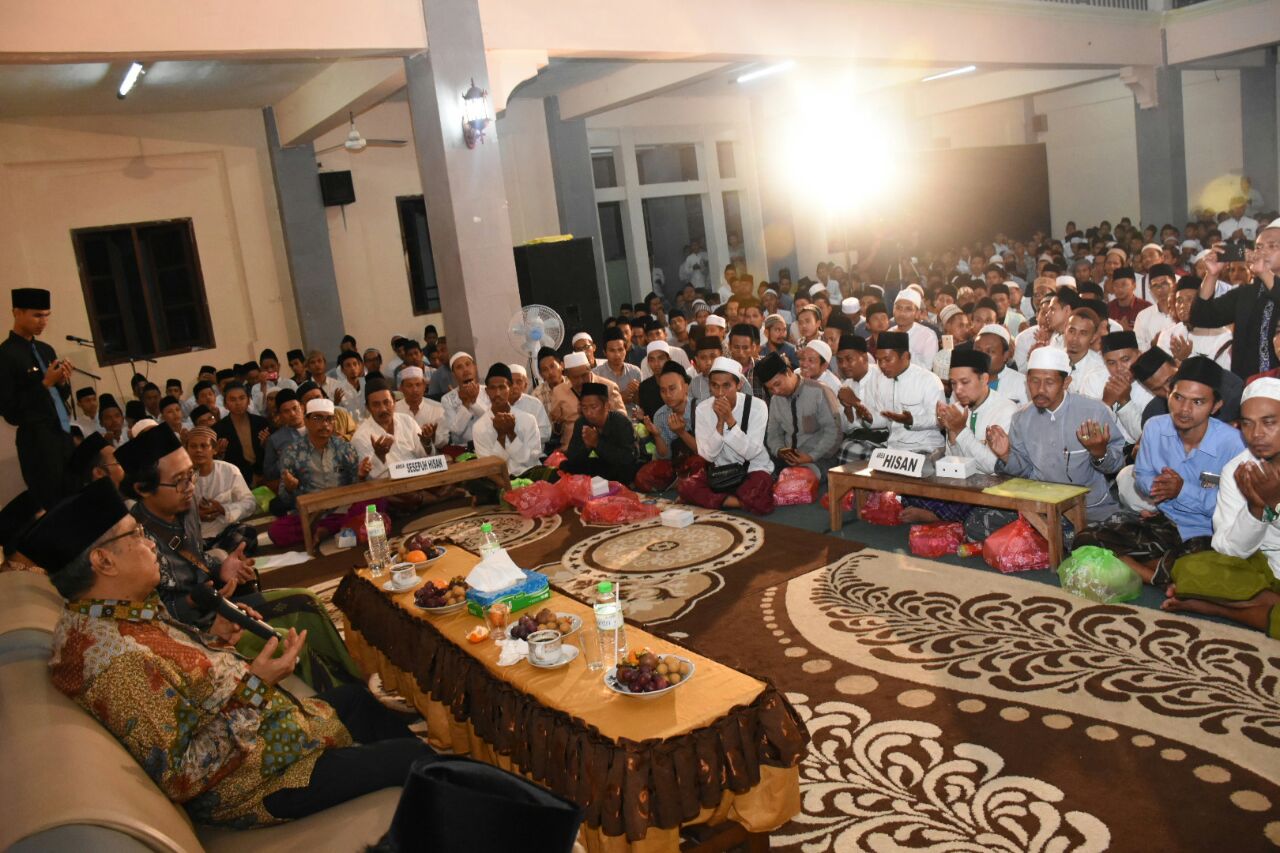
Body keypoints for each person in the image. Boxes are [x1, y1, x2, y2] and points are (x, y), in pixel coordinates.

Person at [27, 477, 432, 827]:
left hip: (268, 736)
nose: (149, 542)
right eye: (134, 534)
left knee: (358, 700)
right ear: (103, 561)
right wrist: (258, 684)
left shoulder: (111, 613)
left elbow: (179, 681)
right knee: (410, 757)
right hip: (259, 781)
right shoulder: (116, 663)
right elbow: (182, 774)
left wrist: (216, 639)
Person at [119, 424, 361, 691]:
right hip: (196, 634)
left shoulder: (185, 507)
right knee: (281, 642)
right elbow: (153, 615)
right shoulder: (134, 540)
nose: (190, 487)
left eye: (192, 475)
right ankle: (341, 701)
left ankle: (356, 679)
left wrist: (221, 567)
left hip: (219, 606)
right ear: (143, 488)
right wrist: (194, 600)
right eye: (179, 480)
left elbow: (196, 557)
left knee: (307, 601)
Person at [1074, 357, 1241, 584]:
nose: (1184, 409)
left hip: (1208, 533)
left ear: (1216, 406)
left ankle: (1160, 568)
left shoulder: (1233, 444)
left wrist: (1182, 491)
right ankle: (1156, 576)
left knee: (1204, 571)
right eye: (1178, 397)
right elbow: (1142, 477)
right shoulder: (1155, 427)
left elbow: (1234, 507)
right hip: (1166, 522)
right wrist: (1159, 487)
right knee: (1085, 539)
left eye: (1198, 402)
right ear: (1168, 393)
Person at [1160, 378, 1280, 638]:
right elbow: (1229, 548)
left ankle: (1223, 609)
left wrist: (1276, 503)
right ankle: (1265, 605)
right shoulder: (1237, 469)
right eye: (1248, 423)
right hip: (1260, 565)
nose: (1257, 433)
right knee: (1188, 568)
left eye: (1269, 422)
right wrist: (1257, 508)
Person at [971, 347, 1125, 543]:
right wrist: (1006, 455)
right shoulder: (1021, 418)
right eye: (1034, 381)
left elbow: (1117, 464)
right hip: (1041, 507)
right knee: (976, 523)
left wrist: (1099, 452)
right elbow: (1025, 471)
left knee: (1114, 539)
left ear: (1066, 382)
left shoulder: (1094, 411)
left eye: (1049, 382)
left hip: (1091, 509)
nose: (1040, 389)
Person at [899, 349, 1017, 524]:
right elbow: (952, 460)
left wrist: (961, 431)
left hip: (990, 484)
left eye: (965, 382)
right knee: (909, 491)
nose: (958, 390)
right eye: (953, 384)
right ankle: (944, 516)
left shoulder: (1006, 410)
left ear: (984, 379)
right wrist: (952, 434)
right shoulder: (957, 408)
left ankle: (939, 517)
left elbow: (992, 467)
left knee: (979, 515)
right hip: (961, 482)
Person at [0, 287, 75, 506]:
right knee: (53, 503)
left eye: (46, 316)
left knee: (74, 495)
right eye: (37, 315)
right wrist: (45, 384)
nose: (43, 321)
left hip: (62, 433)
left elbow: (59, 397)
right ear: (17, 312)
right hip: (37, 441)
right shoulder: (5, 355)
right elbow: (11, 411)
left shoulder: (45, 350)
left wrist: (61, 382)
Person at [677, 357, 774, 514]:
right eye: (715, 386)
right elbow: (708, 455)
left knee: (759, 487)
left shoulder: (757, 406)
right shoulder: (702, 409)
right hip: (721, 472)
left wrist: (730, 421)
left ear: (739, 385)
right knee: (686, 487)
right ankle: (737, 502)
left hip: (753, 469)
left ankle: (722, 499)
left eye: (726, 386)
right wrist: (720, 425)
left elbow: (752, 452)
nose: (720, 393)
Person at [839, 331, 945, 462]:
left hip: (925, 448)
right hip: (893, 448)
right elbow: (885, 420)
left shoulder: (929, 380)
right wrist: (869, 418)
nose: (882, 365)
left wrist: (912, 421)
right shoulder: (883, 380)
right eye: (879, 360)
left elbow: (940, 421)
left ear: (906, 357)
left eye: (888, 359)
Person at [1195, 218, 1280, 378]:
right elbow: (1201, 317)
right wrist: (1212, 275)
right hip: (1249, 387)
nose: (1263, 252)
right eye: (1259, 247)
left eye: (1272, 246)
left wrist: (1264, 273)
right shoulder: (1246, 293)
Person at [278, 398, 372, 510]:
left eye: (330, 419)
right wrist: (289, 488)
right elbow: (284, 499)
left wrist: (360, 476)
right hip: (310, 514)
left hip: (343, 510)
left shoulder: (346, 448)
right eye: (317, 418)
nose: (325, 424)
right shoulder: (292, 452)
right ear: (306, 421)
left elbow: (356, 488)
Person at [758, 351, 839, 477]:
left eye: (777, 384)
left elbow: (834, 432)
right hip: (788, 461)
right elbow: (773, 434)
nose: (776, 391)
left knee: (797, 485)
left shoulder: (819, 391)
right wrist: (780, 451)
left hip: (820, 459)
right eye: (770, 388)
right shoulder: (776, 400)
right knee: (762, 478)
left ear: (789, 373)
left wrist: (810, 456)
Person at [186, 426, 259, 556]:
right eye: (193, 446)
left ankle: (210, 560)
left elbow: (250, 503)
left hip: (225, 533)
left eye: (204, 446)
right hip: (195, 538)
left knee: (247, 532)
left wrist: (223, 509)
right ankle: (218, 559)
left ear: (214, 450)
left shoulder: (229, 471)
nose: (198, 450)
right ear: (187, 450)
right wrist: (195, 514)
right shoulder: (181, 477)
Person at [472, 364, 547, 479]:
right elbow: (489, 468)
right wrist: (501, 436)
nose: (497, 393)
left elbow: (532, 460)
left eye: (502, 387)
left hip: (530, 477)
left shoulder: (528, 420)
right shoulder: (479, 427)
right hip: (500, 481)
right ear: (486, 391)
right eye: (492, 388)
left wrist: (512, 434)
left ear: (510, 388)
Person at [560, 382, 637, 485]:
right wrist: (587, 447)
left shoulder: (621, 422)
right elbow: (572, 457)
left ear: (607, 406)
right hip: (597, 467)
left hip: (617, 468)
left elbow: (628, 458)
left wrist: (597, 443)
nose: (588, 413)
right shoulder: (581, 423)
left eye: (593, 407)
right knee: (565, 466)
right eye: (584, 408)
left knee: (626, 470)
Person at [549, 351, 626, 449]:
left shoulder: (609, 387)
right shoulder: (559, 391)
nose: (581, 381)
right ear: (567, 376)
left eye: (584, 375)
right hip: (571, 448)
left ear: (590, 370)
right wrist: (557, 425)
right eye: (575, 377)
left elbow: (622, 418)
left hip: (605, 446)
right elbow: (556, 427)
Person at [214, 381, 270, 485]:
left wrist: (267, 444)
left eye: (242, 398)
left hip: (265, 474)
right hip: (237, 479)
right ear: (225, 404)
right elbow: (218, 462)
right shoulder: (218, 429)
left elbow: (271, 453)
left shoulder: (261, 423)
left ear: (248, 400)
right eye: (232, 399)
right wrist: (219, 453)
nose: (238, 403)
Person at [439, 352, 491, 449]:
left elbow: (491, 420)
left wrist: (474, 402)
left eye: (468, 364)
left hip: (489, 444)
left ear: (475, 367)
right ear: (453, 374)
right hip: (463, 448)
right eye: (459, 367)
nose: (465, 370)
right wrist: (466, 404)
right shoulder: (447, 398)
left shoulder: (488, 390)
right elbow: (455, 430)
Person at [394, 366, 447, 451]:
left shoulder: (438, 408)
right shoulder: (394, 410)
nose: (415, 390)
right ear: (401, 388)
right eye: (409, 385)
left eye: (418, 385)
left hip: (432, 458)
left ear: (424, 386)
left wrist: (433, 437)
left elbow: (444, 441)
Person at [973, 324, 1027, 406]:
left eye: (990, 351)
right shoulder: (965, 381)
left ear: (1005, 355)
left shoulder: (1022, 383)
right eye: (978, 350)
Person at [262, 388, 306, 483]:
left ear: (302, 408)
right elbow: (269, 473)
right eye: (286, 411)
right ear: (280, 415)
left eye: (295, 408)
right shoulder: (274, 440)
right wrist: (285, 459)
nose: (292, 414)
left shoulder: (318, 429)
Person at [888, 288, 939, 368]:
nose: (902, 313)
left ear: (917, 314)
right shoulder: (888, 334)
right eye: (898, 308)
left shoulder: (928, 336)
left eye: (908, 309)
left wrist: (901, 343)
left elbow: (927, 368)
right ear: (893, 310)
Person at [1133, 263, 1177, 351]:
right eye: (1155, 285)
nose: (1160, 289)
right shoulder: (1143, 316)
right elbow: (1136, 348)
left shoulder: (1184, 313)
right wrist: (1152, 344)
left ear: (1174, 284)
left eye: (1164, 284)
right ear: (1150, 288)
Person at [507, 364, 552, 446]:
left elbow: (546, 433)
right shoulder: (498, 405)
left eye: (519, 382)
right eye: (510, 382)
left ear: (525, 385)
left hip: (533, 454)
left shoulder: (535, 404)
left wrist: (521, 437)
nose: (514, 386)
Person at [597, 327, 642, 405]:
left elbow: (641, 403)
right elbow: (596, 406)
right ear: (604, 352)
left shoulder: (635, 371)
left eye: (620, 349)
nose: (617, 355)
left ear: (626, 350)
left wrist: (636, 392)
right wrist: (620, 398)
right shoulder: (596, 375)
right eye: (612, 350)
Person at [334, 351, 369, 421]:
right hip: (350, 428)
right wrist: (336, 403)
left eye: (355, 364)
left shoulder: (368, 384)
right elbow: (336, 413)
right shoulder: (338, 389)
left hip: (369, 425)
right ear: (342, 370)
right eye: (348, 365)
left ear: (359, 366)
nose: (352, 368)